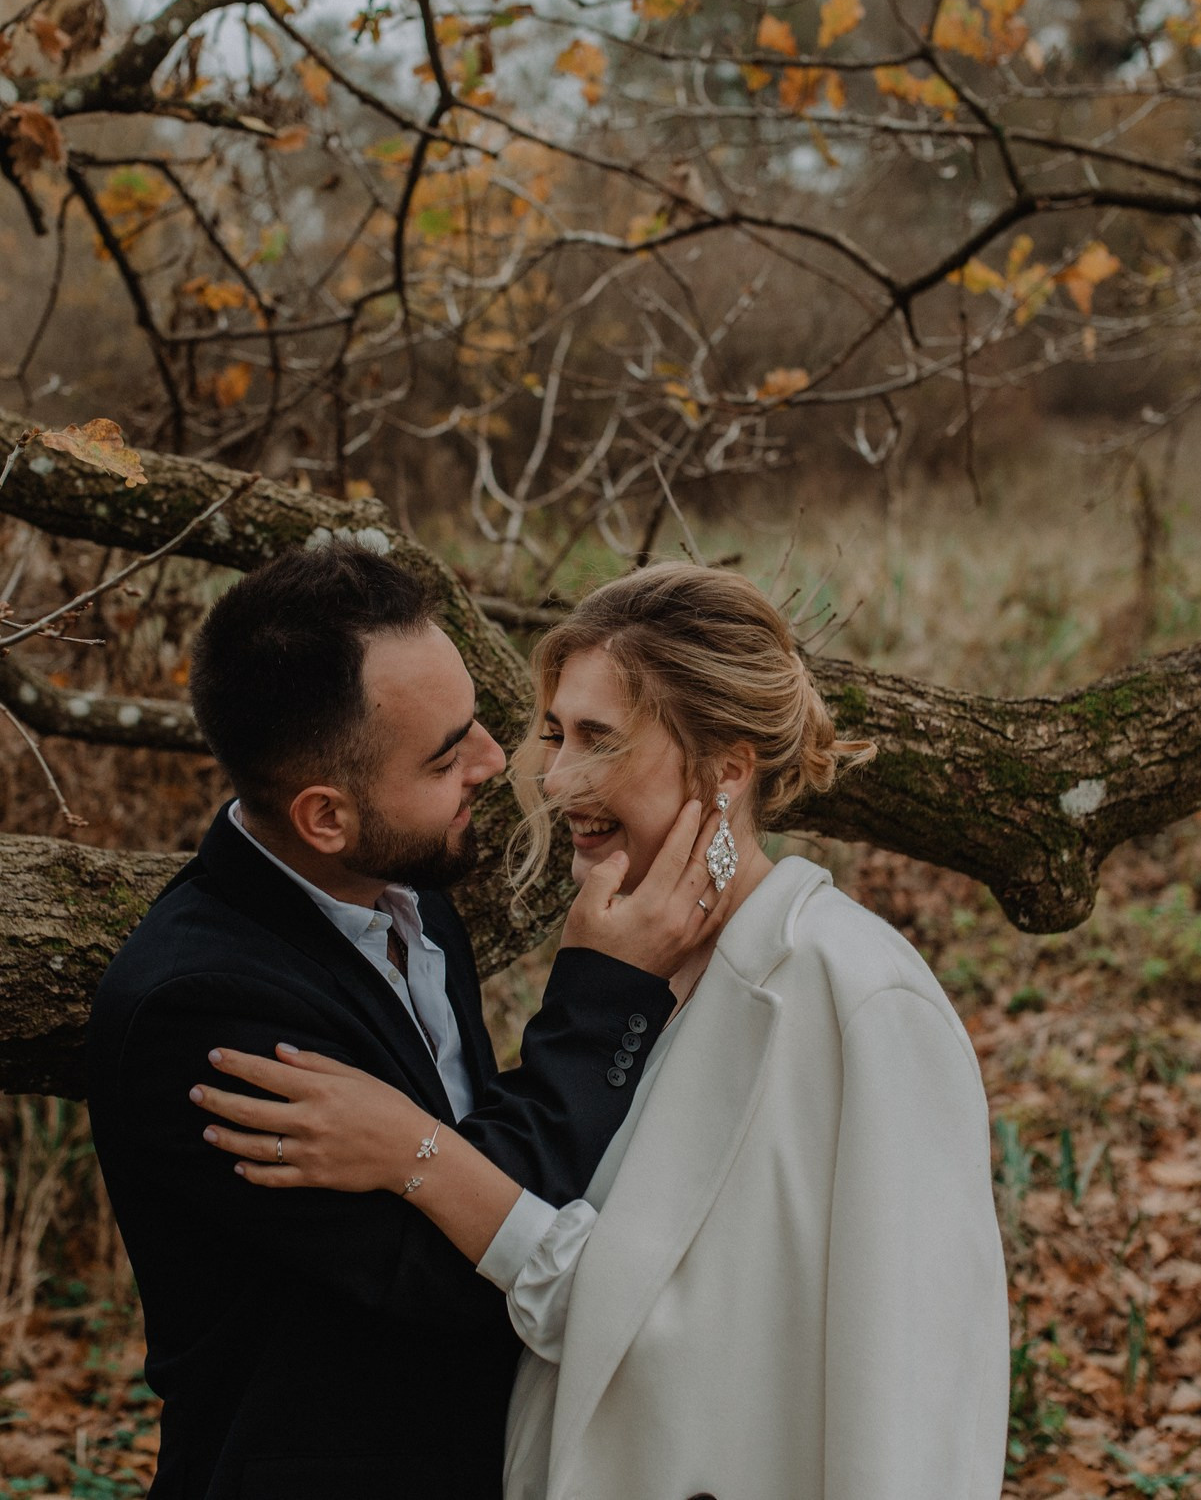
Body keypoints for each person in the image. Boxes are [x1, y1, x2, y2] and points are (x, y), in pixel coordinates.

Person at [192, 562, 1009, 1500]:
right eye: (555, 733)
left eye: (600, 739)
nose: (556, 776)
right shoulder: (633, 972)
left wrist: (422, 1155)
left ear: (727, 767)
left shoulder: (858, 997)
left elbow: (918, 1408)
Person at [83, 544, 723, 1500]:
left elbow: (473, 1166)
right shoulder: (201, 1013)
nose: (495, 761)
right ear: (326, 817)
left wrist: (411, 1144)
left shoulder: (404, 897)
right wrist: (602, 993)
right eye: (446, 753)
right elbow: (462, 1268)